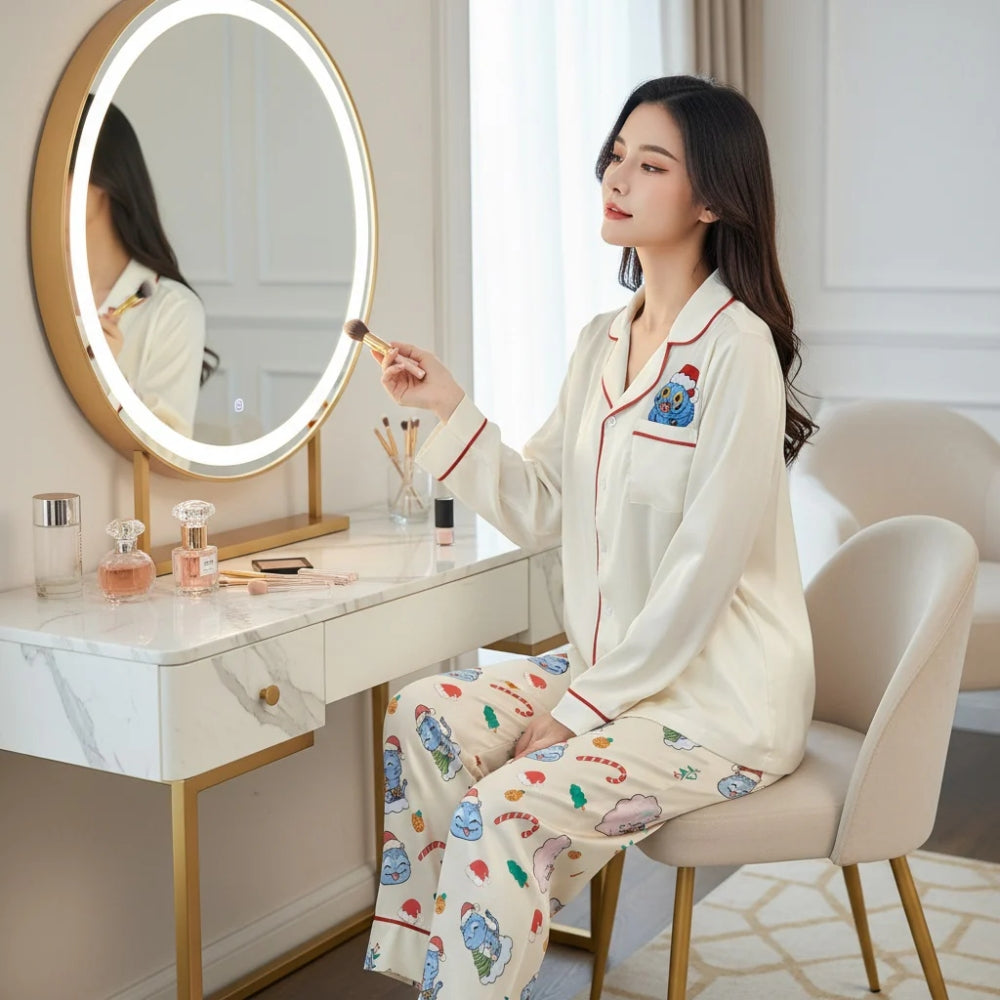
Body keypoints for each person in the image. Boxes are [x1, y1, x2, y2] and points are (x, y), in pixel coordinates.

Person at [363, 75, 818, 1000]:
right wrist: (448, 405)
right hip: (616, 674)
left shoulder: (737, 349)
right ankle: (455, 978)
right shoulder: (600, 344)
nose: (617, 177)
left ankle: (480, 966)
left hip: (717, 705)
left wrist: (577, 712)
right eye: (617, 155)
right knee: (423, 715)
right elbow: (541, 505)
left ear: (709, 198)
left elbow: (701, 570)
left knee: (503, 804)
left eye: (650, 165)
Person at [70, 98, 207, 436]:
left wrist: (111, 381)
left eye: (55, 171)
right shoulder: (33, 295)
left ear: (98, 179)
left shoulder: (173, 313)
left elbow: (169, 460)